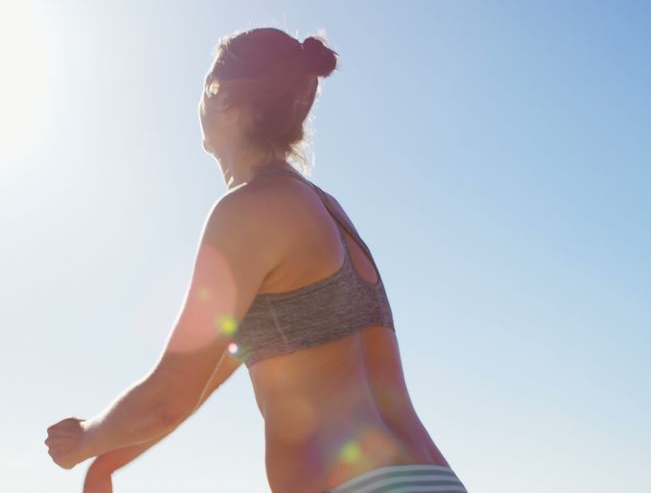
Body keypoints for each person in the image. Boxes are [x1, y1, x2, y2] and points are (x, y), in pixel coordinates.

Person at [46, 27, 467, 493]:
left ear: (221, 98)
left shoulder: (248, 209)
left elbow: (167, 397)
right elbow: (203, 376)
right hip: (433, 480)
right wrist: (106, 463)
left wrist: (83, 439)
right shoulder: (327, 212)